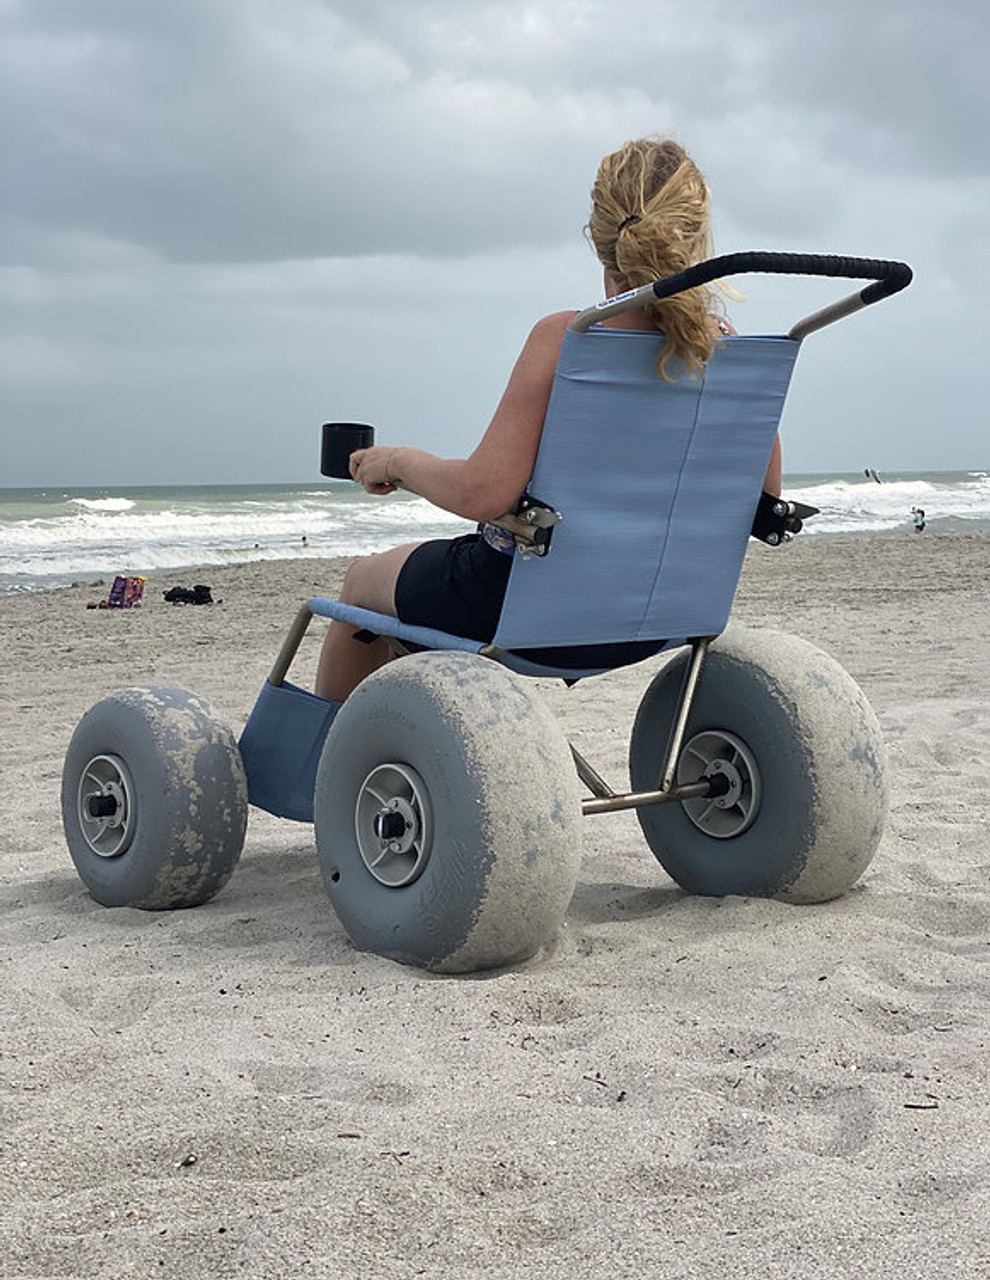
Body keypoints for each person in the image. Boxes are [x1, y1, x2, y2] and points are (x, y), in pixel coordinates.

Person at [315, 136, 782, 702]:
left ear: (598, 235)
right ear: (696, 237)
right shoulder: (725, 350)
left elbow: (483, 493)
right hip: (663, 617)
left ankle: (327, 774)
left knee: (363, 581)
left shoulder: (568, 340)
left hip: (525, 612)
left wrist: (397, 461)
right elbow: (762, 499)